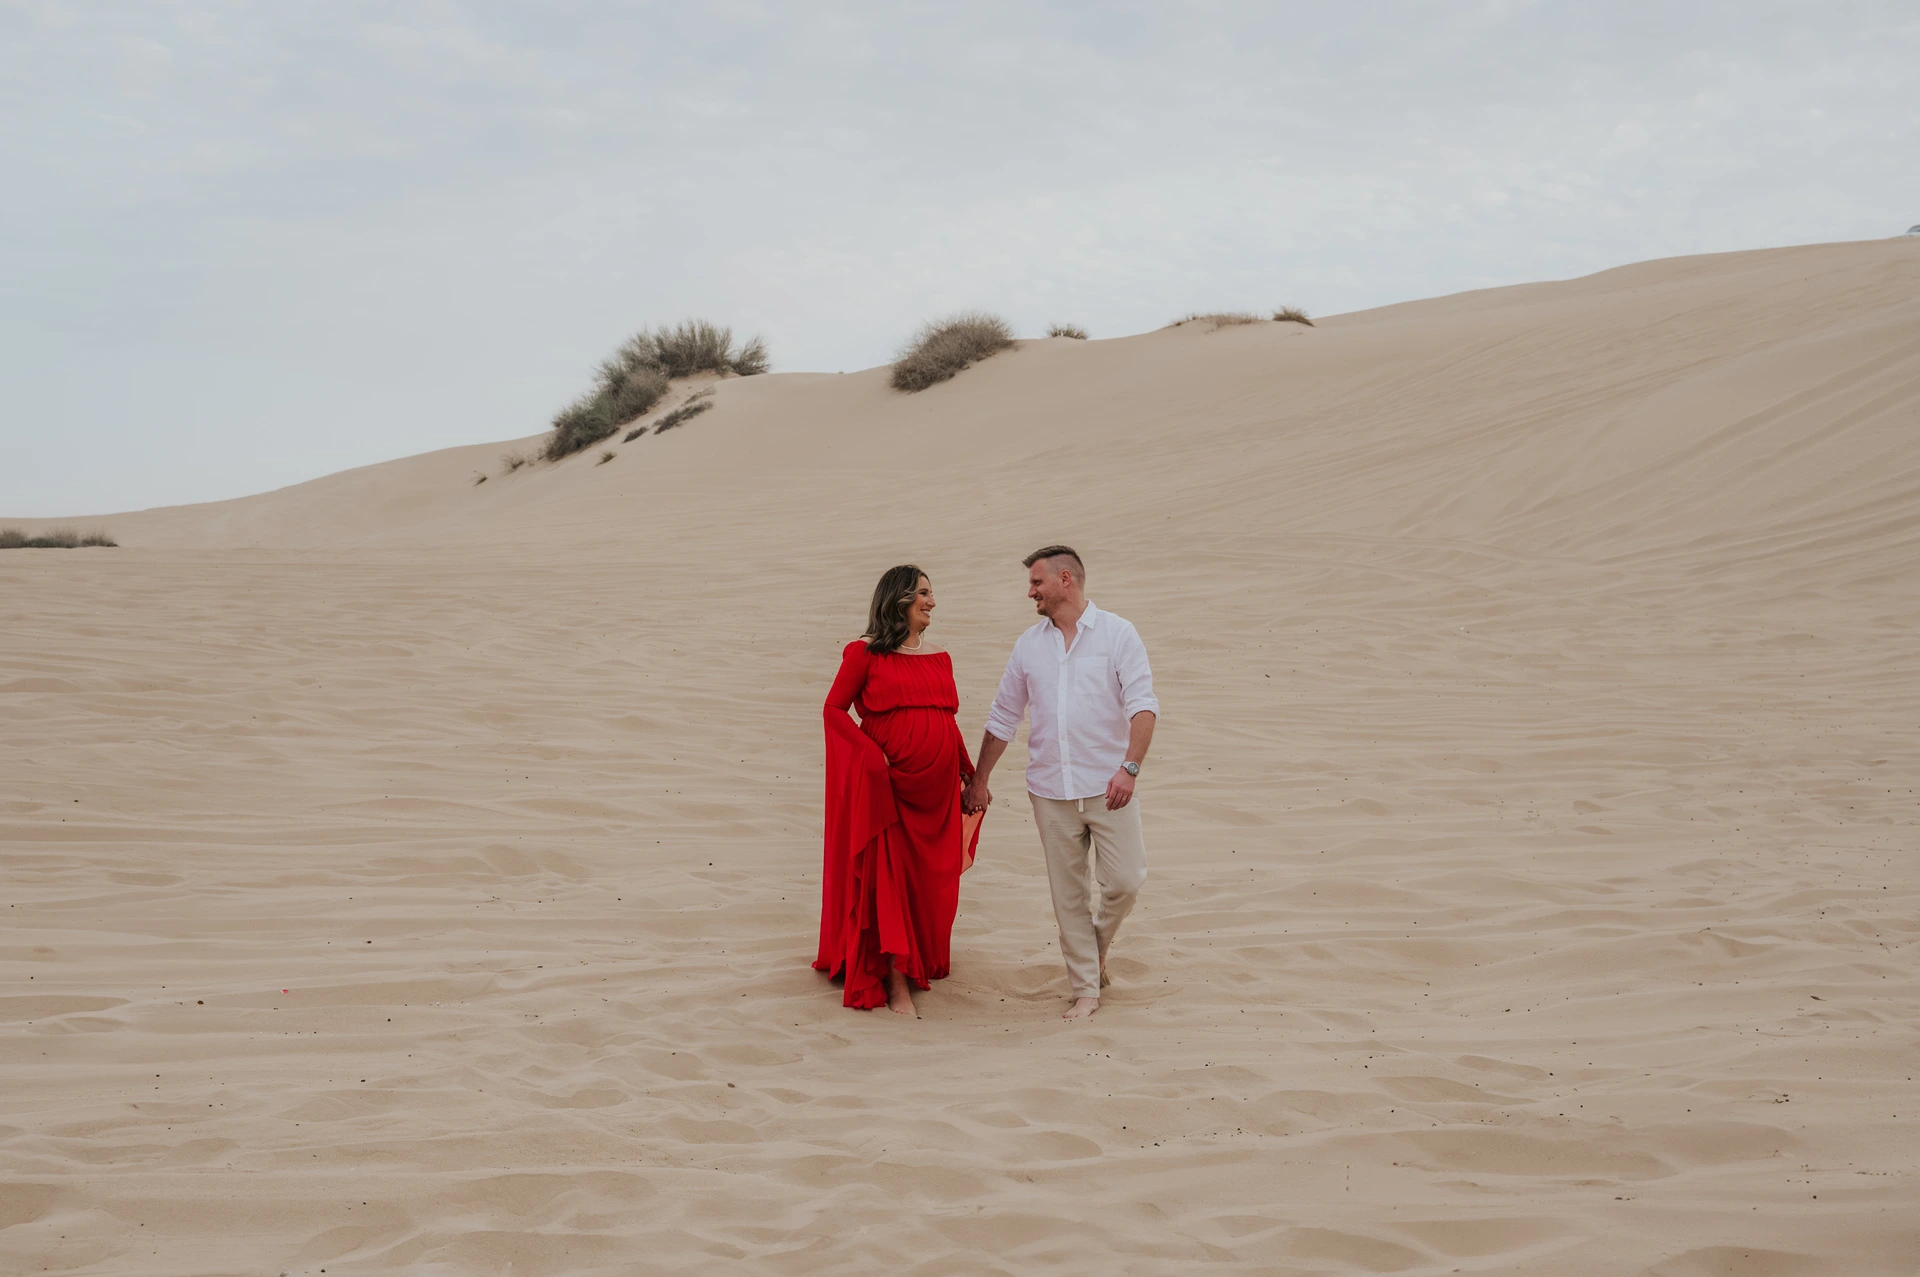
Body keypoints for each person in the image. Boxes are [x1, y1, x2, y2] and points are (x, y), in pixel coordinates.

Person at [964, 546, 1157, 1019]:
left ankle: (1094, 948)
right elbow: (1003, 717)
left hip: (1109, 788)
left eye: (1036, 583)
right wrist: (979, 779)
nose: (1030, 592)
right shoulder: (1028, 645)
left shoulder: (1118, 634)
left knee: (1127, 882)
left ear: (1064, 579)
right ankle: (1086, 990)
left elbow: (1143, 706)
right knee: (1067, 896)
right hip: (1050, 791)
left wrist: (1129, 768)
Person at [816, 565, 983, 1015]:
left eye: (932, 593)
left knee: (929, 882)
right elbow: (834, 710)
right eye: (924, 593)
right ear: (899, 599)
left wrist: (971, 774)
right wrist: (869, 755)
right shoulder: (864, 654)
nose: (931, 601)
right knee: (887, 879)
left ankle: (918, 960)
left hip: (937, 794)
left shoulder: (940, 657)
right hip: (888, 791)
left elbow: (945, 719)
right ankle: (895, 984)